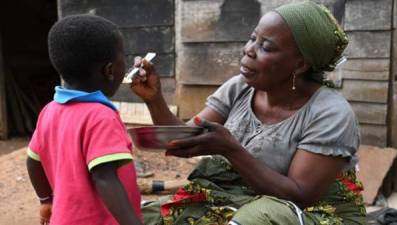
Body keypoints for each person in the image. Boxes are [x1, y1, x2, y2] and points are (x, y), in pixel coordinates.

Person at [130, 1, 366, 225]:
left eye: (265, 47)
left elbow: (300, 196)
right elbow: (183, 140)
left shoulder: (330, 113)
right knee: (145, 216)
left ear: (300, 64)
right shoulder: (240, 88)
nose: (248, 50)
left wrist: (231, 149)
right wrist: (154, 99)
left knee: (259, 215)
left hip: (313, 213)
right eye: (253, 38)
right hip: (239, 200)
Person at [26, 14, 143, 225]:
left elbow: (33, 161)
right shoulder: (101, 117)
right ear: (109, 70)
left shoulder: (50, 111)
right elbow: (104, 177)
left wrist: (46, 200)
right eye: (122, 58)